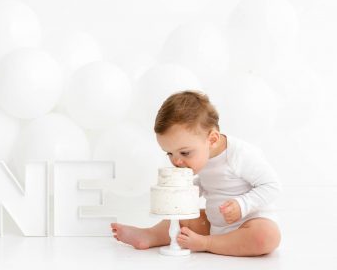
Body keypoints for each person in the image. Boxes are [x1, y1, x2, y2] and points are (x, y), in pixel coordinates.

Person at [111, 90, 281, 256]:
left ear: (212, 140)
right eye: (169, 153)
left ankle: (207, 243)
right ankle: (150, 235)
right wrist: (183, 192)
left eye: (184, 153)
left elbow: (272, 186)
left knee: (266, 236)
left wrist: (242, 204)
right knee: (183, 218)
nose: (176, 161)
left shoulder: (241, 155)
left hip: (249, 223)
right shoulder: (201, 157)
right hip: (215, 223)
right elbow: (208, 184)